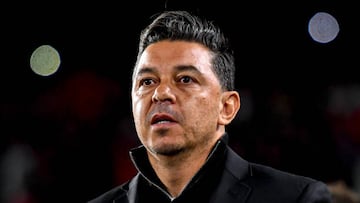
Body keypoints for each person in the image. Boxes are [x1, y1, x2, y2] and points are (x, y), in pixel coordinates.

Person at [88, 10, 332, 203]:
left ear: (227, 107)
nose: (160, 93)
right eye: (147, 81)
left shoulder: (297, 198)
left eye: (185, 79)